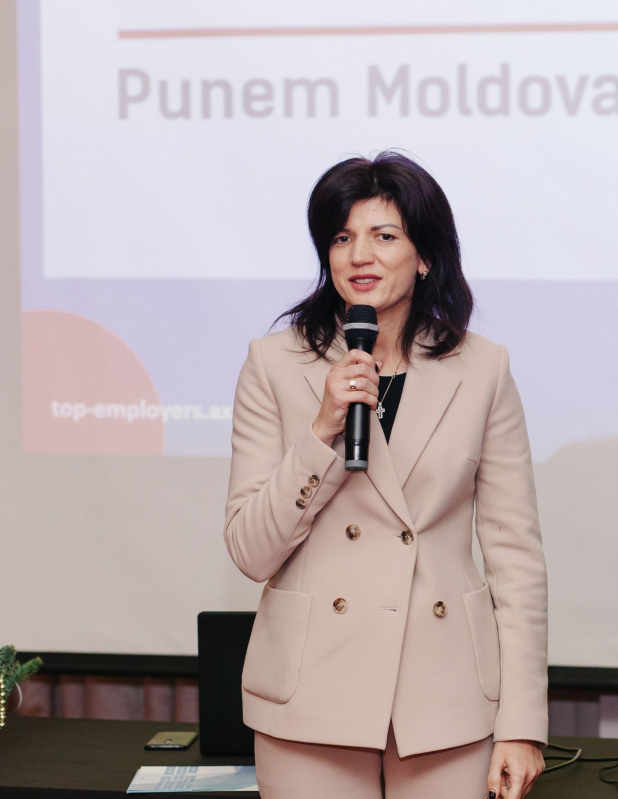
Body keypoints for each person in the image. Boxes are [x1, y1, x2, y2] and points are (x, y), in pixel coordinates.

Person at [224, 152, 548, 799]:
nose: (360, 255)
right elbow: (250, 551)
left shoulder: (481, 368)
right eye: (342, 238)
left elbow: (515, 557)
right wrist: (321, 430)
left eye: (384, 235)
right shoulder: (275, 363)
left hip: (444, 692)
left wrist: (521, 723)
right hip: (311, 693)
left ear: (424, 256)